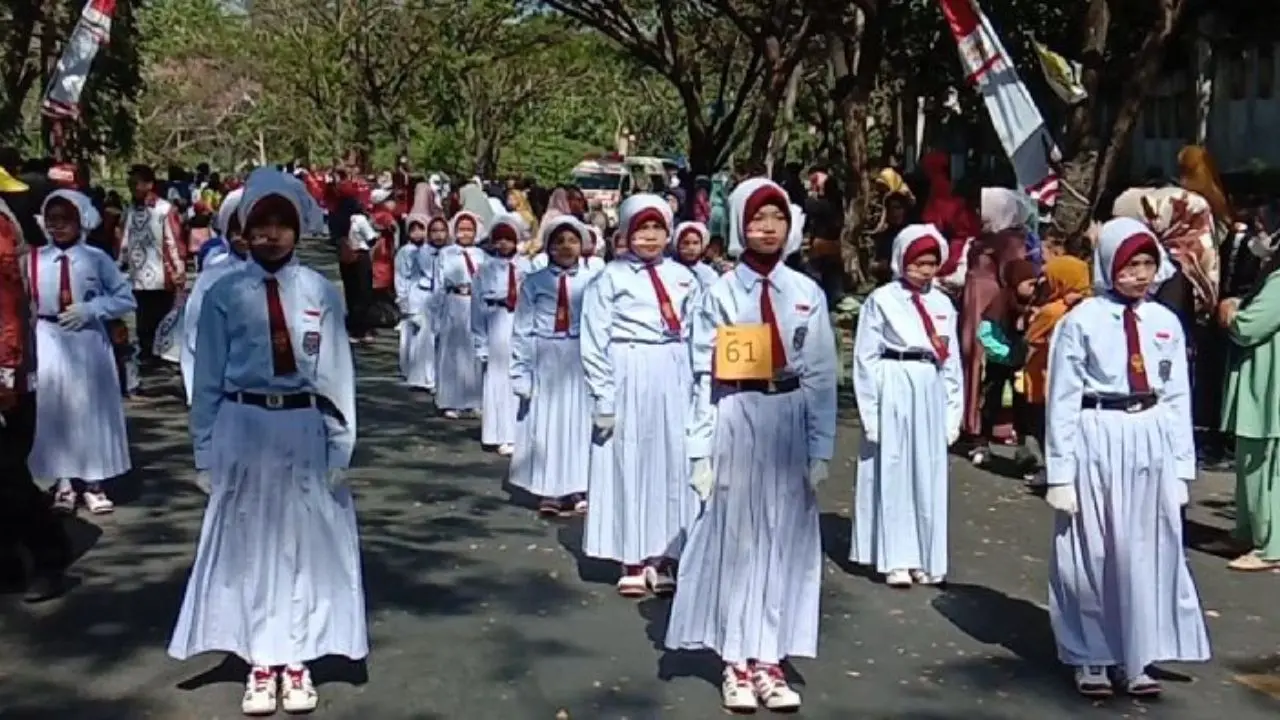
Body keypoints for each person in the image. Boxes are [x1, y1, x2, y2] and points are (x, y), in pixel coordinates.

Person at [169, 169, 365, 715]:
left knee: (302, 544)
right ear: (243, 230)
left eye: (282, 224)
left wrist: (340, 444)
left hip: (300, 425)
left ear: (298, 229)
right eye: (261, 225)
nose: (272, 235)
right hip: (244, 423)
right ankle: (260, 660)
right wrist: (204, 449)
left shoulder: (317, 291)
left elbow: (335, 372)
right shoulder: (224, 293)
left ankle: (297, 658)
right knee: (251, 545)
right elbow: (206, 375)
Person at [665, 178, 837, 712]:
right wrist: (699, 450)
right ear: (740, 225)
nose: (768, 229)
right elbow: (701, 375)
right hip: (737, 416)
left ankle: (770, 657)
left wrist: (820, 448)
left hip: (786, 418)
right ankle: (735, 659)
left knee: (781, 542)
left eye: (778, 220)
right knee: (737, 541)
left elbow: (821, 374)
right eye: (758, 220)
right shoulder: (718, 293)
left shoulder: (806, 294)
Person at [1043, 217, 1209, 697]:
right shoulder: (1082, 322)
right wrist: (1062, 474)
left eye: (1146, 265)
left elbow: (1178, 394)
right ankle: (1091, 653)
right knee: (1094, 547)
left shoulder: (1164, 322)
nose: (1138, 274)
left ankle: (1138, 653)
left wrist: (1181, 467)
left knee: (1146, 548)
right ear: (1108, 265)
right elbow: (1063, 400)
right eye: (1128, 265)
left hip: (1149, 433)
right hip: (1099, 433)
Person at [580, 193, 700, 597]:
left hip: (673, 366)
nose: (650, 237)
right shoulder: (610, 278)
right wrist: (603, 396)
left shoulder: (685, 277)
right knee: (629, 456)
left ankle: (663, 555)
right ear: (627, 232)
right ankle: (630, 555)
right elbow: (594, 338)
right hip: (628, 365)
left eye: (657, 229)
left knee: (670, 459)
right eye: (642, 229)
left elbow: (701, 331)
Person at [850, 224, 962, 587]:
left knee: (926, 471)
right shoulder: (882, 300)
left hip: (928, 382)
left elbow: (952, 360)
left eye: (931, 263)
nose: (924, 271)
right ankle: (894, 555)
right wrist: (870, 412)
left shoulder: (943, 303)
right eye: (917, 263)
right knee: (894, 467)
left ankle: (925, 555)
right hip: (894, 379)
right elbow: (864, 357)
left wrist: (952, 412)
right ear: (902, 261)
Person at [28, 190, 135, 515]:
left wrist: (93, 308)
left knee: (90, 409)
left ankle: (94, 482)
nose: (58, 227)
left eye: (65, 221)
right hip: (47, 337)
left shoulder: (96, 258)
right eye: (52, 221)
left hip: (87, 341)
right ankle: (63, 483)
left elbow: (125, 297)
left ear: (80, 223)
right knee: (54, 409)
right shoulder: (34, 259)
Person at [0, 187, 71, 602]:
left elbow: (7, 305)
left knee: (8, 475)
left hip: (8, 371)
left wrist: (6, 375)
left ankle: (49, 554)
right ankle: (8, 563)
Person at [509, 217, 598, 516]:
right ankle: (549, 489)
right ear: (548, 246)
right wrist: (521, 370)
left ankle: (577, 487)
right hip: (545, 353)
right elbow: (522, 327)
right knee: (547, 424)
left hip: (578, 352)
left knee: (578, 423)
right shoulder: (535, 282)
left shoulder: (592, 282)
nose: (565, 247)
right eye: (559, 242)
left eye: (572, 241)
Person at [1218, 229, 1280, 571]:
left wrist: (1231, 312)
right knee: (1251, 462)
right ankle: (1247, 532)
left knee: (1263, 464)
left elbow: (1250, 327)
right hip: (1262, 383)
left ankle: (1269, 544)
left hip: (1268, 385)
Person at [181, 190, 247, 407]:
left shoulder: (300, 281)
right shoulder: (214, 276)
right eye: (236, 230)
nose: (243, 238)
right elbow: (194, 333)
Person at [472, 214, 530, 453]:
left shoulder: (527, 267)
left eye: (509, 239)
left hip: (519, 321)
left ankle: (517, 432)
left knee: (518, 377)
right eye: (499, 239)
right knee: (498, 378)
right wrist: (480, 341)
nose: (504, 244)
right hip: (496, 322)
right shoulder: (485, 269)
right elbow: (477, 305)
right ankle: (497, 432)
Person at [120, 164, 185, 366]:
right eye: (130, 183)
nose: (133, 187)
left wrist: (178, 268)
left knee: (162, 315)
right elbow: (125, 237)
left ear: (149, 184)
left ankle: (163, 354)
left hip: (160, 273)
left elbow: (173, 240)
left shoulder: (164, 209)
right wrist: (121, 260)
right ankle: (147, 351)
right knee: (143, 317)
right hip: (138, 273)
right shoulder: (130, 209)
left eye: (136, 182)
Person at [434, 211, 486, 418]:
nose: (465, 234)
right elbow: (439, 282)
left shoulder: (482, 255)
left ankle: (473, 398)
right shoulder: (446, 254)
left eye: (469, 230)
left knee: (474, 351)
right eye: (461, 229)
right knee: (453, 351)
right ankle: (451, 400)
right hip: (454, 302)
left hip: (475, 303)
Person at [396, 214, 432, 390]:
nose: (417, 233)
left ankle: (425, 371)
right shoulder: (405, 251)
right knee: (410, 335)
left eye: (421, 229)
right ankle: (409, 368)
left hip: (428, 297)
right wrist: (402, 297)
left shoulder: (430, 250)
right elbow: (401, 275)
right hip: (412, 294)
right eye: (413, 229)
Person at [671, 221, 719, 288]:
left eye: (695, 243)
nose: (691, 248)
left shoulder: (709, 274)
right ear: (677, 245)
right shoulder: (670, 270)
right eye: (686, 243)